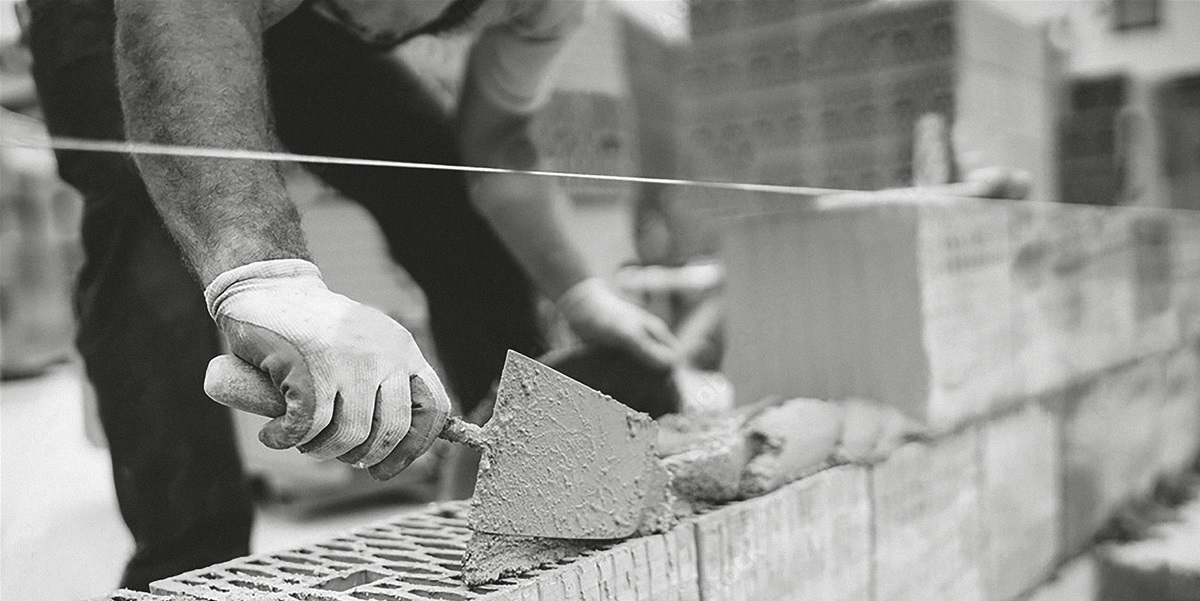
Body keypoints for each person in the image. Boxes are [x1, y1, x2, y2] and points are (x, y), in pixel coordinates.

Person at [24, 0, 681, 590]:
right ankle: (185, 565)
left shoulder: (549, 8)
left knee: (436, 182)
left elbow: (498, 142)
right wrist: (265, 278)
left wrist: (579, 290)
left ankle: (522, 482)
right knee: (145, 222)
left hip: (302, 19)